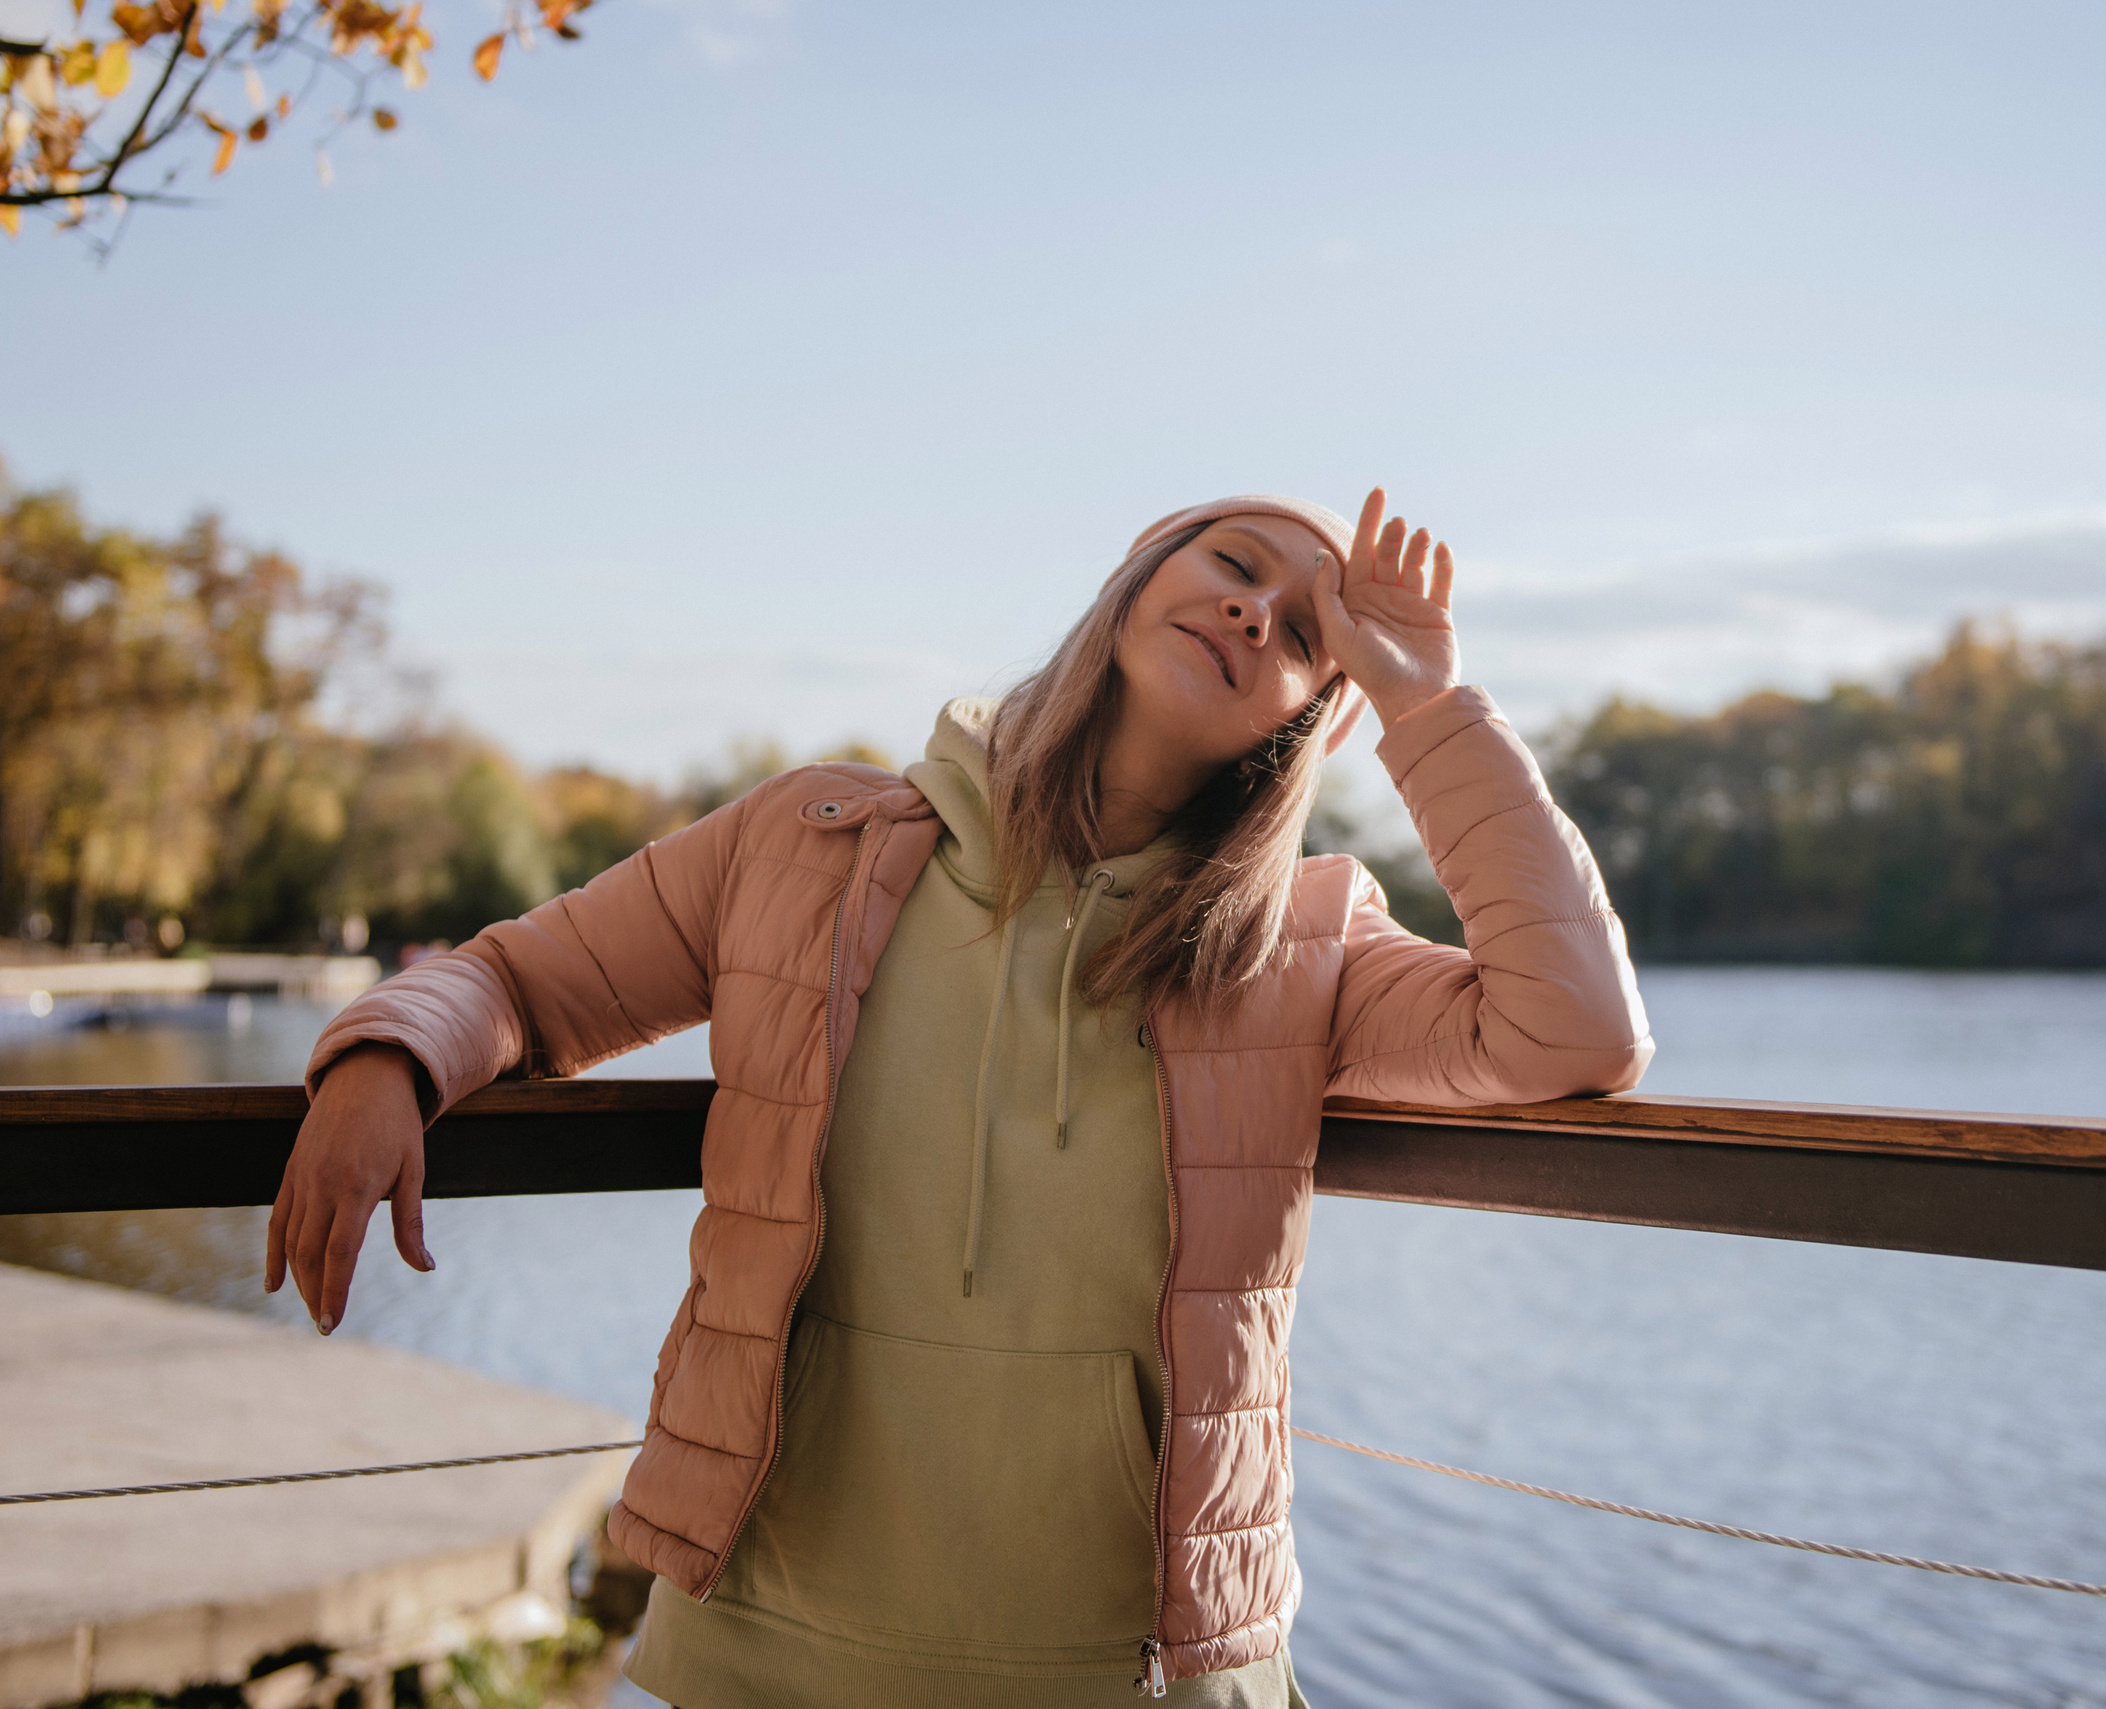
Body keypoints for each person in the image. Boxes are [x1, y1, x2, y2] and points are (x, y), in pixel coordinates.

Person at [267, 490, 1652, 1706]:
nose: (1254, 608)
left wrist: (1425, 701)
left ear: (1308, 719)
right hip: (772, 1636)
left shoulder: (1304, 938)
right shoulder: (804, 840)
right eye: (1232, 562)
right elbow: (521, 977)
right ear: (1134, 578)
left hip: (1138, 1670)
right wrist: (384, 1059)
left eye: (1306, 634)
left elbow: (1571, 1030)